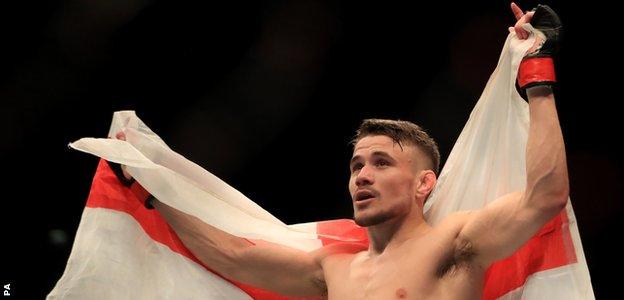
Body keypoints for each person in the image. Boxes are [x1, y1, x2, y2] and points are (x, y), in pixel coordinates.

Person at [114, 3, 566, 298]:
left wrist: (538, 80)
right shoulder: (335, 270)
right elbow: (230, 255)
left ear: (424, 183)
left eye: (381, 162)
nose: (361, 175)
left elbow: (544, 197)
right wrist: (152, 190)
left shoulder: (454, 244)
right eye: (356, 165)